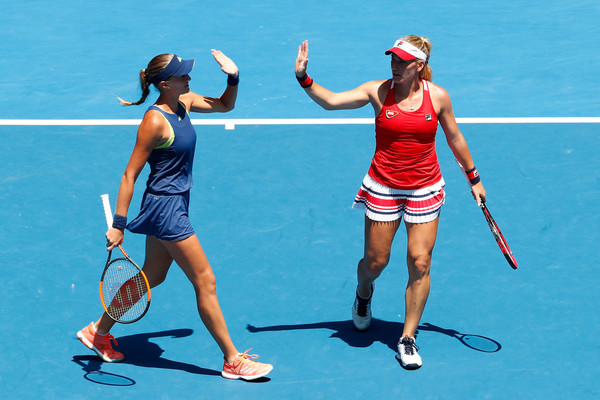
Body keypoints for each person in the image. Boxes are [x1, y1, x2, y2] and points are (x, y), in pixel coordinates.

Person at [77, 51, 273, 381]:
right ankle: (233, 359)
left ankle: (97, 331)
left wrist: (233, 76)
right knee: (205, 281)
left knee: (153, 274)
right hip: (166, 209)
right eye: (183, 76)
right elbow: (130, 174)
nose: (189, 79)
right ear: (165, 85)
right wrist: (119, 225)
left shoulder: (185, 102)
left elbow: (226, 106)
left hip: (175, 203)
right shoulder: (154, 121)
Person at [294, 36, 486, 369]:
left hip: (425, 189)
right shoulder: (377, 91)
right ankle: (363, 293)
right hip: (383, 188)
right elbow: (332, 102)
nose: (394, 66)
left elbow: (454, 136)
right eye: (392, 60)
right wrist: (304, 78)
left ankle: (407, 337)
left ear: (419, 66)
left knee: (420, 261)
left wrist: (474, 178)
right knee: (375, 263)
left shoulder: (437, 97)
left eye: (402, 61)